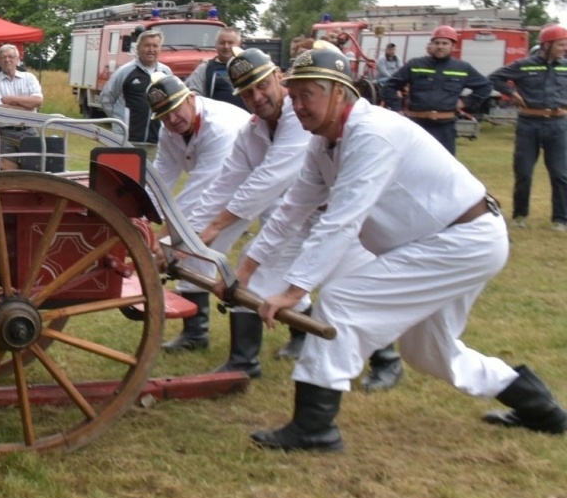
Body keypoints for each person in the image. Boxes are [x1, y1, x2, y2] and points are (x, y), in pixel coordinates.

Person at [239, 45, 566, 451]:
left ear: (339, 93)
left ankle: (314, 428)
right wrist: (245, 271)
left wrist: (294, 290)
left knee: (342, 301)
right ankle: (540, 409)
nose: (298, 106)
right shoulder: (323, 144)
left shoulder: (373, 133)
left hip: (462, 239)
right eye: (294, 95)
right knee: (429, 352)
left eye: (308, 95)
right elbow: (291, 210)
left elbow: (342, 220)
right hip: (448, 241)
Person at [195, 47, 320, 376]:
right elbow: (224, 186)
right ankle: (294, 339)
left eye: (262, 85)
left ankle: (243, 363)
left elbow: (268, 179)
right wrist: (187, 237)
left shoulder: (298, 119)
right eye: (247, 92)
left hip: (336, 213)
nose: (257, 97)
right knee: (270, 264)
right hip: (298, 214)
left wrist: (215, 227)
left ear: (278, 77)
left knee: (352, 285)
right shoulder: (251, 132)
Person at [144, 71, 247, 352]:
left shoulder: (219, 128)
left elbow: (201, 193)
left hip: (260, 181)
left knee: (274, 253)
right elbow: (161, 178)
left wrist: (166, 240)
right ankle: (195, 333)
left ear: (191, 98)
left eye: (175, 109)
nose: (171, 120)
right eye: (163, 116)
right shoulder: (169, 130)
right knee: (195, 249)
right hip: (226, 186)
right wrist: (139, 218)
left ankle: (300, 333)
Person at [489, 24, 567, 231]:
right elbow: (494, 78)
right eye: (561, 45)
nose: (565, 49)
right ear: (547, 45)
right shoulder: (523, 65)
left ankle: (561, 219)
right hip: (529, 124)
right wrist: (511, 93)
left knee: (560, 174)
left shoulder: (565, 66)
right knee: (523, 172)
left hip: (558, 124)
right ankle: (520, 215)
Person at [384, 26, 492, 154]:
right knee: (412, 162)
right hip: (417, 126)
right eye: (437, 43)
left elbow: (486, 87)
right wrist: (397, 109)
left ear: (453, 46)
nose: (440, 46)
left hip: (445, 129)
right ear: (431, 45)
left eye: (445, 43)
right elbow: (389, 86)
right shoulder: (415, 65)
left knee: (444, 165)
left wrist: (465, 102)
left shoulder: (462, 68)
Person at [99, 29, 166, 144]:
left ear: (160, 49)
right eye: (147, 45)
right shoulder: (125, 71)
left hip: (155, 142)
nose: (151, 50)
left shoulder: (166, 72)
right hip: (126, 140)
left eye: (155, 46)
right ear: (138, 48)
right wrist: (119, 121)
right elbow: (106, 98)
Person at [185, 27, 245, 108]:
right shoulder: (205, 68)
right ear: (216, 45)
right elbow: (195, 97)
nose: (226, 46)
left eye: (230, 43)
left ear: (239, 45)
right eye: (222, 43)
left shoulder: (247, 66)